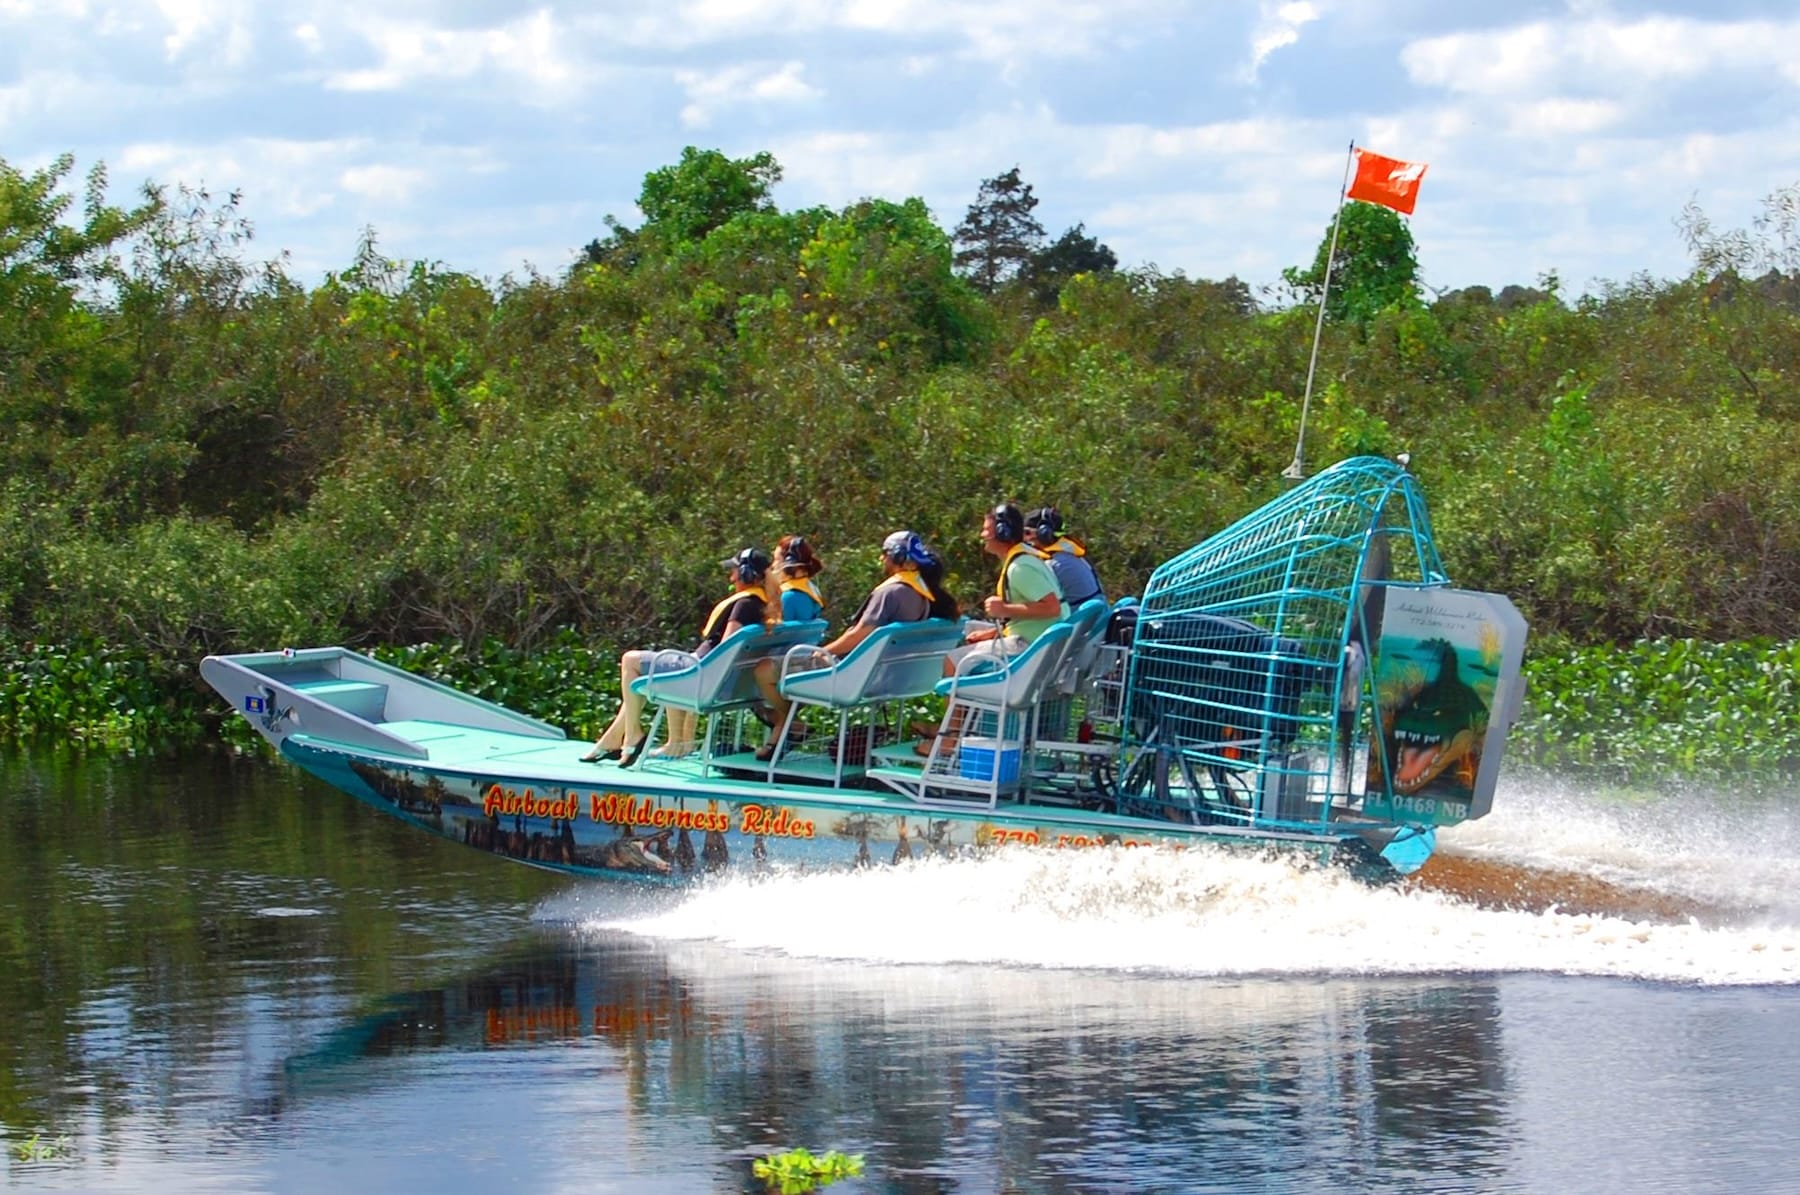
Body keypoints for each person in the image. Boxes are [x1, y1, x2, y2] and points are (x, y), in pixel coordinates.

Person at [752, 530, 941, 761]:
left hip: (852, 674)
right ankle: (788, 726)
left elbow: (860, 634)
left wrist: (826, 651)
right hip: (888, 675)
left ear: (898, 556)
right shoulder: (921, 594)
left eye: (885, 553)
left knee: (763, 669)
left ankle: (789, 723)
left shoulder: (890, 592)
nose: (882, 558)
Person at [583, 547, 770, 763]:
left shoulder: (744, 605)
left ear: (746, 574)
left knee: (630, 660)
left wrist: (698, 669)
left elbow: (725, 649)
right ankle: (613, 739)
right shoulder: (764, 604)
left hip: (703, 677)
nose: (731, 577)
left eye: (735, 571)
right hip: (727, 682)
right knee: (653, 673)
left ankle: (632, 735)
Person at [923, 503, 1067, 755]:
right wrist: (993, 632)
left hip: (1027, 647)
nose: (982, 535)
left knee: (952, 662)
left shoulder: (1020, 567)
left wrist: (1004, 609)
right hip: (1032, 641)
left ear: (1002, 532)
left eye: (986, 529)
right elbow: (1034, 611)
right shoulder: (1025, 559)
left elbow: (1051, 608)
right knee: (966, 652)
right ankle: (953, 731)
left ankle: (950, 739)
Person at [1024, 505, 1104, 608]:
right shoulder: (1073, 554)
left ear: (1044, 533)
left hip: (1079, 617)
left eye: (1027, 533)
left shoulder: (1053, 564)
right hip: (1095, 613)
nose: (1025, 539)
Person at [767, 534, 826, 624]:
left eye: (777, 560)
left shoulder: (788, 597)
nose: (773, 565)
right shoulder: (810, 589)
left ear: (790, 564)